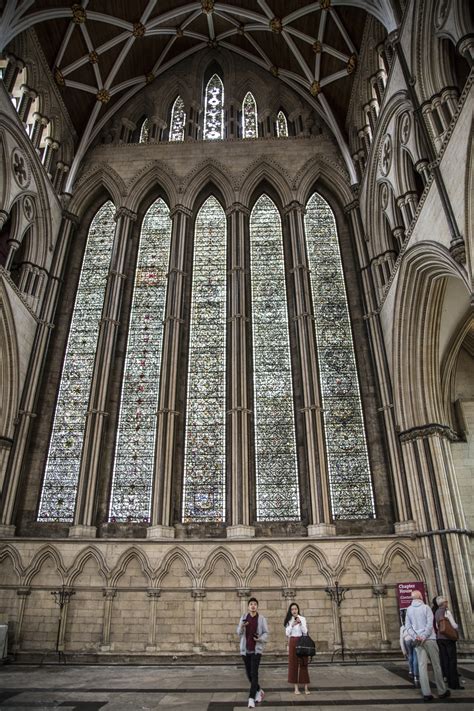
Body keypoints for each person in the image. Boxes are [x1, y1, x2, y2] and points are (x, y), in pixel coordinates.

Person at [405, 590, 450, 703]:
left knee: (422, 666)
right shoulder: (426, 608)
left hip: (418, 640)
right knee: (436, 665)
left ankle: (426, 693)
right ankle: (442, 691)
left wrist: (416, 636)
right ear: (420, 596)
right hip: (429, 639)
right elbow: (430, 625)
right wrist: (424, 635)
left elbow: (408, 627)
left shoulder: (409, 610)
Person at [237, 597, 269, 708]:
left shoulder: (261, 618)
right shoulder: (244, 618)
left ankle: (251, 698)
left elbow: (266, 633)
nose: (253, 606)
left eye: (255, 604)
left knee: (254, 673)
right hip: (245, 650)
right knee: (249, 674)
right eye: (251, 604)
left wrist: (259, 638)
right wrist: (242, 626)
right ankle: (259, 690)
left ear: (257, 606)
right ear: (248, 606)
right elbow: (238, 633)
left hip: (256, 650)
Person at [435, 595, 463, 690]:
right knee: (452, 661)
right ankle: (454, 684)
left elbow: (437, 626)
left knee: (445, 660)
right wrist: (457, 627)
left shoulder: (437, 612)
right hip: (448, 638)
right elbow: (454, 625)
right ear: (444, 603)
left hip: (440, 638)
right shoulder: (446, 611)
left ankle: (447, 680)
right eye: (446, 601)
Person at [284, 602, 310, 695]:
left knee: (303, 663)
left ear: (298, 609)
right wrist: (293, 624)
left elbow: (305, 632)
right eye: (292, 609)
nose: (294, 611)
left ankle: (306, 687)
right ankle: (296, 688)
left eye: (295, 609)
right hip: (293, 641)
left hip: (302, 641)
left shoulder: (302, 618)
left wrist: (300, 623)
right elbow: (287, 633)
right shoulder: (289, 620)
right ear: (290, 611)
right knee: (293, 664)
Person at [400, 609, 419, 687]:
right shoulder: (414, 623)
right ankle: (416, 675)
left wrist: (403, 651)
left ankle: (411, 671)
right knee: (415, 656)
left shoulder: (403, 626)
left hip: (407, 640)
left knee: (410, 655)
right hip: (414, 639)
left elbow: (401, 639)